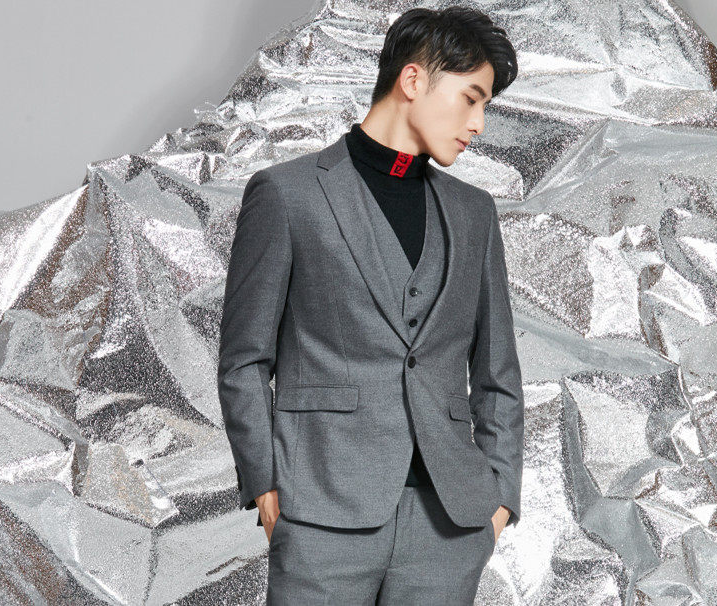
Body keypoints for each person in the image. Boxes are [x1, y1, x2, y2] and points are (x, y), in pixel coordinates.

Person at [217, 5, 523, 604]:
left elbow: (498, 371)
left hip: (450, 523)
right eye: (471, 99)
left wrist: (500, 498)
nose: (478, 123)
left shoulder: (474, 213)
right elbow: (244, 359)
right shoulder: (287, 195)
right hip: (320, 511)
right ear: (413, 80)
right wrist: (266, 487)